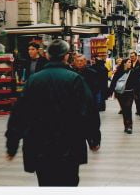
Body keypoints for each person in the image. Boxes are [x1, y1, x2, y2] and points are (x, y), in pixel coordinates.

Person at [5, 39, 101, 187]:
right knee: (69, 181)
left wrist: (12, 144)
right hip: (69, 143)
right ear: (66, 57)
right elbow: (88, 111)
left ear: (47, 56)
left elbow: (19, 113)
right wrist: (94, 139)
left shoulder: (33, 80)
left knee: (45, 181)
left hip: (40, 144)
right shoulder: (75, 79)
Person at [109, 58, 136, 134]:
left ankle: (130, 126)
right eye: (128, 62)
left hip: (129, 93)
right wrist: (110, 92)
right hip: (120, 93)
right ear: (124, 63)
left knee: (128, 108)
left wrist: (136, 93)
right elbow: (114, 81)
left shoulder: (132, 72)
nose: (130, 63)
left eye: (130, 62)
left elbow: (136, 82)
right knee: (124, 109)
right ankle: (126, 126)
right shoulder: (119, 72)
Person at [129, 52, 140, 120]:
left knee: (139, 97)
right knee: (135, 97)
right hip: (132, 83)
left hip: (139, 83)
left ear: (136, 56)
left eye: (133, 56)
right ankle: (138, 110)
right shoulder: (130, 63)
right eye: (131, 56)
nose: (132, 58)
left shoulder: (139, 63)